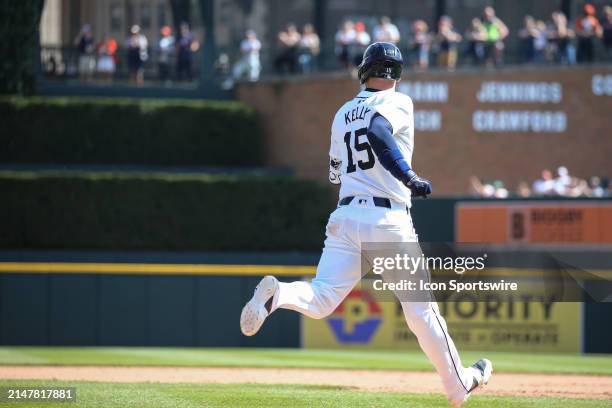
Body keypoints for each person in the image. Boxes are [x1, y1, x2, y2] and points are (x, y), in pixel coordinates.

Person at [240, 42, 493, 408]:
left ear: (364, 69)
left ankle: (279, 294)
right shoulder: (399, 101)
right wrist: (408, 176)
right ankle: (458, 387)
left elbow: (334, 172)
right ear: (398, 74)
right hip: (387, 219)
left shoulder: (342, 112)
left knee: (322, 296)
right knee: (422, 311)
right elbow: (377, 131)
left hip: (345, 216)